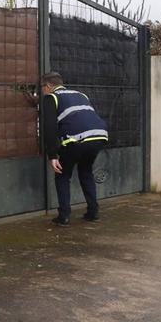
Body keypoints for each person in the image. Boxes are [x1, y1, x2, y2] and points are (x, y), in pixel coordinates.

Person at [39, 72, 109, 226]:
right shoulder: (81, 94)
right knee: (85, 172)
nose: (42, 91)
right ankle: (93, 212)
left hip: (76, 139)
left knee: (62, 175)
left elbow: (49, 127)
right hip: (99, 136)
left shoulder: (52, 97)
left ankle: (63, 216)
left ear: (49, 86)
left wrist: (52, 155)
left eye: (42, 87)